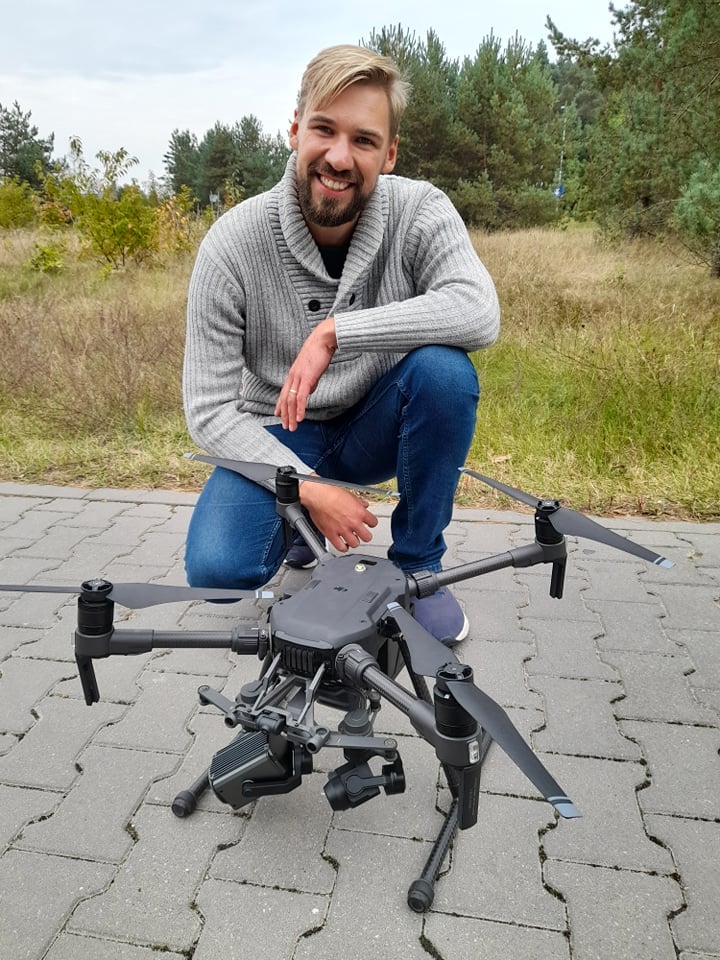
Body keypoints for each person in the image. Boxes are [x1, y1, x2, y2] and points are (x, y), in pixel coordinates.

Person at [183, 44, 500, 645]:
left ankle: (419, 569)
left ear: (390, 153)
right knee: (219, 572)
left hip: (377, 424)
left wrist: (336, 332)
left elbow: (479, 311)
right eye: (324, 129)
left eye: (364, 140)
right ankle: (300, 526)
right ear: (295, 129)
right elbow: (208, 412)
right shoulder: (231, 244)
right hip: (281, 428)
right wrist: (305, 487)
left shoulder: (420, 210)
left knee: (445, 373)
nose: (338, 157)